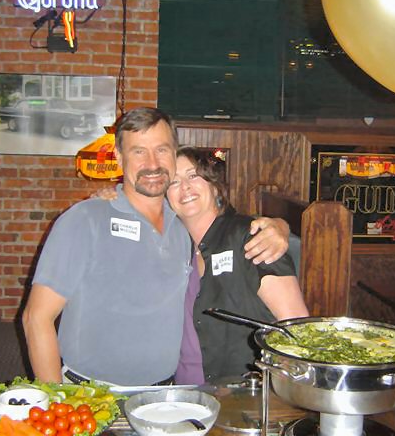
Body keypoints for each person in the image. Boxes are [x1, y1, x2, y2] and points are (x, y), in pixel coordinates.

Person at [22, 107, 289, 386]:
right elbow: (36, 318)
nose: (152, 163)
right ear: (119, 157)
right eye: (138, 151)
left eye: (161, 150)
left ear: (173, 153)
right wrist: (56, 400)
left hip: (164, 393)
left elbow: (229, 224)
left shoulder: (183, 226)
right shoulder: (85, 219)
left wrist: (280, 226)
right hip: (90, 392)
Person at [167, 146, 309, 383]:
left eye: (193, 175)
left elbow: (295, 326)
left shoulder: (251, 236)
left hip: (243, 392)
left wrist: (279, 392)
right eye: (173, 181)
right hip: (187, 389)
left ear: (214, 186)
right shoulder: (176, 246)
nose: (185, 187)